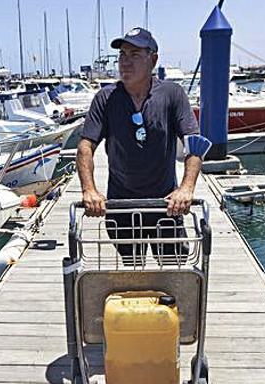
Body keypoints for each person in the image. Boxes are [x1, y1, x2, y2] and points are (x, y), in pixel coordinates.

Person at [75, 27, 207, 263]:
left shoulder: (172, 94)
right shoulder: (106, 98)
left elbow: (194, 144)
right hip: (122, 206)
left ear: (153, 59)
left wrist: (186, 188)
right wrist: (89, 190)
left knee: (173, 273)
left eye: (134, 55)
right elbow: (86, 146)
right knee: (132, 272)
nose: (126, 62)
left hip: (165, 205)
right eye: (122, 55)